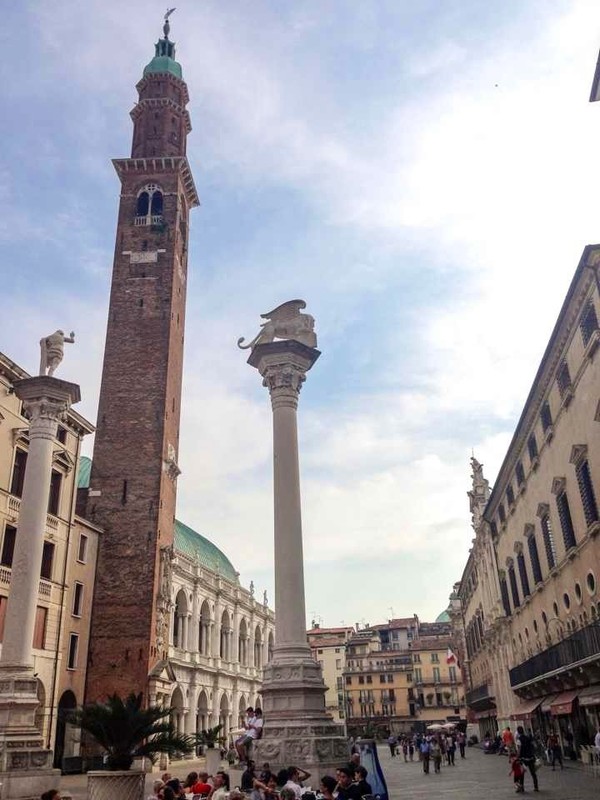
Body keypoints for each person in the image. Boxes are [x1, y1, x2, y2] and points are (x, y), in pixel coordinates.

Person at [517, 725, 539, 792]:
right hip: (530, 757)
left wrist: (518, 757)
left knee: (521, 774)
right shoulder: (528, 738)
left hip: (523, 759)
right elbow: (534, 746)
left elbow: (519, 749)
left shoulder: (519, 739)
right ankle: (536, 787)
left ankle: (522, 787)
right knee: (533, 773)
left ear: (518, 732)